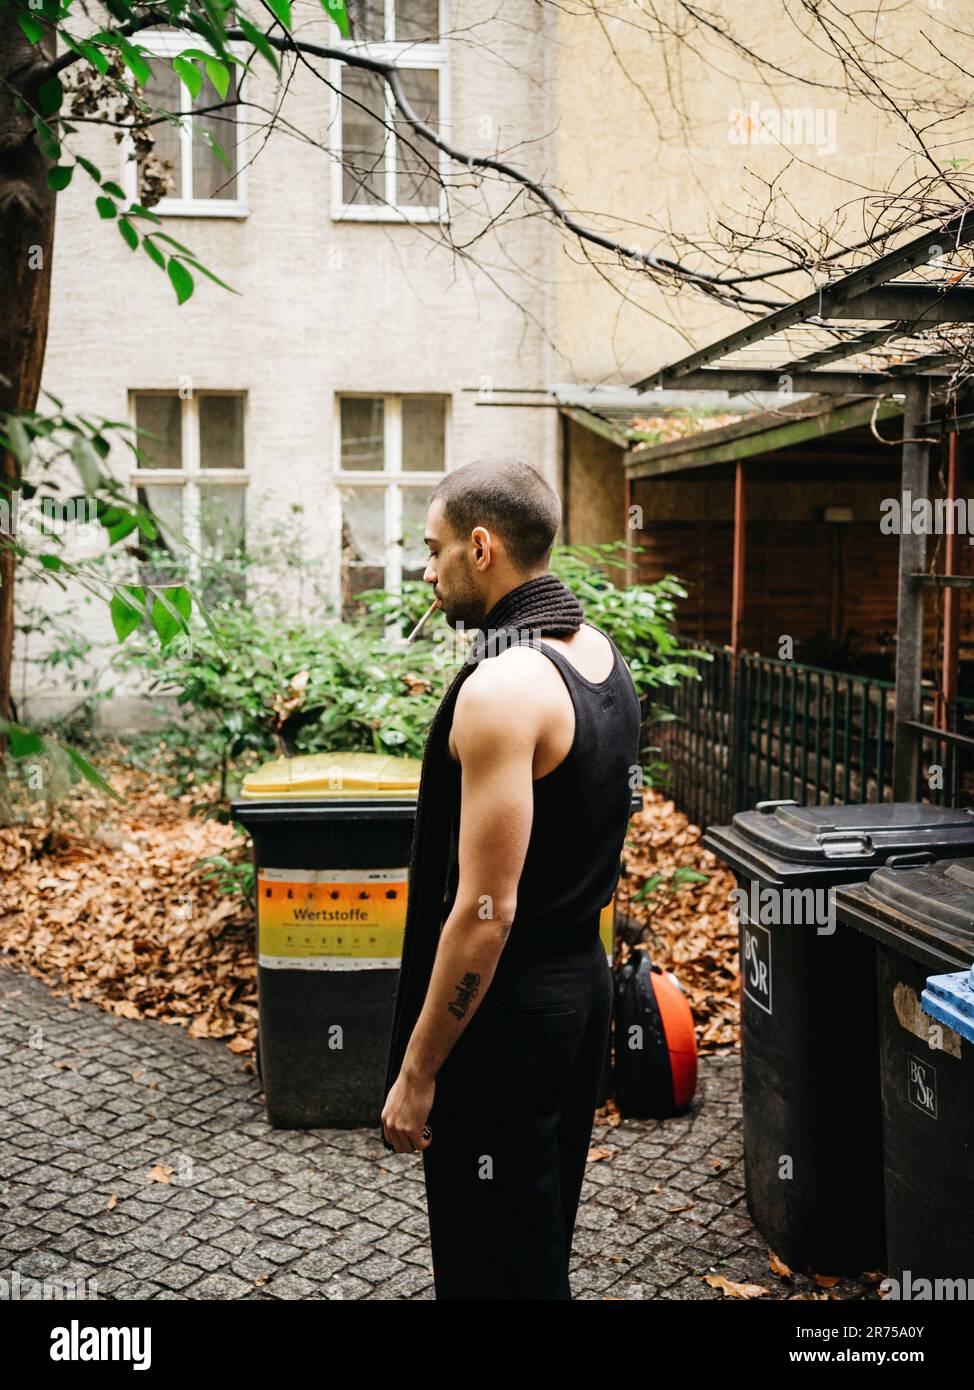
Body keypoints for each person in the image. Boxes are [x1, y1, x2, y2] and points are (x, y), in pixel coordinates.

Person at [379, 458, 641, 1299]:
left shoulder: (502, 689)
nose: (427, 571)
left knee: (491, 1265)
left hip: (506, 1017)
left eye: (434, 549)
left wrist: (418, 1072)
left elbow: (485, 913)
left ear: (481, 547)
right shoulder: (599, 657)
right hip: (577, 992)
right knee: (537, 1244)